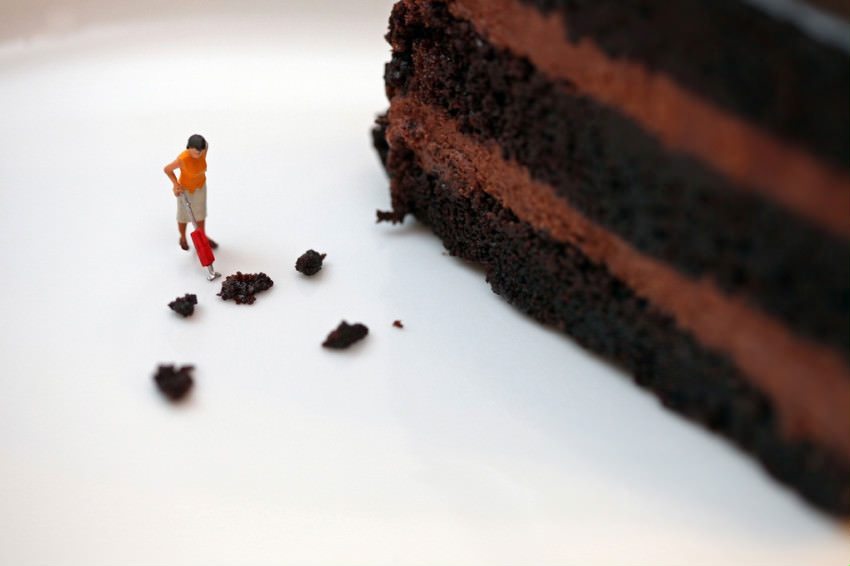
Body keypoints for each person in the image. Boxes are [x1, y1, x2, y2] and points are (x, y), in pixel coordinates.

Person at [163, 134, 217, 250]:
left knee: (200, 215)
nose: (200, 154)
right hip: (185, 190)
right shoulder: (183, 159)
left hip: (200, 187)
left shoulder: (203, 151)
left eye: (201, 151)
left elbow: (206, 145)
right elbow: (167, 169)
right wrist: (175, 184)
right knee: (183, 216)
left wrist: (202, 148)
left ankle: (203, 236)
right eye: (197, 152)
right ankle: (183, 238)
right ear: (190, 148)